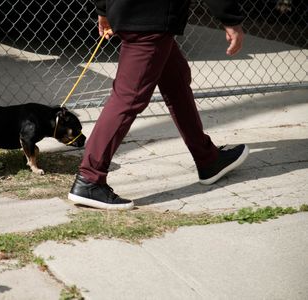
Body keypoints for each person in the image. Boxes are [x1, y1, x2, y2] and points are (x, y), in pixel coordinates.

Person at [68, 0, 250, 210]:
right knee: (129, 98)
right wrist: (230, 19)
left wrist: (103, 9)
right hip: (151, 17)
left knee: (176, 82)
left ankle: (208, 159)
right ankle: (89, 179)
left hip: (134, 13)